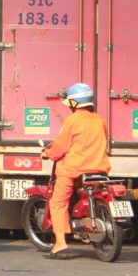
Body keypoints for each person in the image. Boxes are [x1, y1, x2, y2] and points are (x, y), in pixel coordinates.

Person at [40, 82, 111, 259]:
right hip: (99, 169)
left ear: (74, 103)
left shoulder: (72, 120)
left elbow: (59, 148)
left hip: (73, 170)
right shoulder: (100, 120)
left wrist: (47, 153)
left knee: (58, 203)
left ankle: (60, 243)